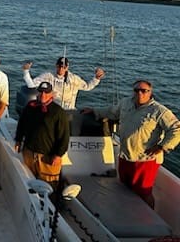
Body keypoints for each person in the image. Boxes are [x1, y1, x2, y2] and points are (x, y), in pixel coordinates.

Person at [81, 80, 180, 208]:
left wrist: (162, 147)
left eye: (144, 91)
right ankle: (128, 213)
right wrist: (94, 111)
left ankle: (147, 220)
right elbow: (112, 112)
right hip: (125, 156)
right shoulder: (125, 103)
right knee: (125, 189)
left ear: (150, 92)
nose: (140, 93)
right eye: (137, 90)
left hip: (144, 160)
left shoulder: (159, 111)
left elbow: (176, 129)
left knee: (144, 193)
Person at [14, 81, 70, 191]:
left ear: (51, 94)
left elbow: (64, 137)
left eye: (46, 93)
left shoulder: (58, 112)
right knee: (29, 184)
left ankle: (54, 206)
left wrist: (58, 155)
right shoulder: (30, 107)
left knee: (49, 188)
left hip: (48, 158)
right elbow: (22, 124)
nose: (43, 95)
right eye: (41, 92)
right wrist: (18, 140)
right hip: (29, 154)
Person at [23, 57, 105, 110]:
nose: (61, 69)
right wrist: (26, 72)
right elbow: (32, 85)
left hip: (70, 111)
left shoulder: (74, 79)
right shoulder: (48, 76)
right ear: (56, 66)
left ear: (67, 67)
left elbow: (87, 87)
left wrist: (97, 78)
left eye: (64, 67)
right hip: (53, 110)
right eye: (59, 66)